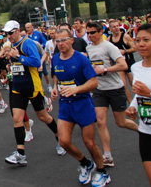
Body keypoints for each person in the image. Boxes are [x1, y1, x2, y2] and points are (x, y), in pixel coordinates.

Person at [50, 29, 110, 187]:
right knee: (63, 141)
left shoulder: (81, 59)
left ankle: (103, 172)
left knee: (89, 142)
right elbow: (56, 75)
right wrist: (55, 87)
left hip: (83, 103)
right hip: (65, 105)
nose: (60, 44)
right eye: (58, 41)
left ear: (72, 40)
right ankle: (85, 163)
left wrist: (76, 89)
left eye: (64, 40)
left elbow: (94, 82)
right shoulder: (55, 59)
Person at [2, 20, 65, 165]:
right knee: (17, 119)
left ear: (18, 30)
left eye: (10, 33)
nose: (8, 36)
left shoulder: (28, 43)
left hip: (32, 86)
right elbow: (17, 65)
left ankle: (60, 139)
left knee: (43, 116)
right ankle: (20, 153)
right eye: (6, 33)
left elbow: (37, 62)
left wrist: (19, 57)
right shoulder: (11, 45)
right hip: (18, 87)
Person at [86, 21, 138, 167]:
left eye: (92, 32)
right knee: (101, 121)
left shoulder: (109, 46)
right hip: (99, 90)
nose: (89, 35)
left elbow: (123, 65)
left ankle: (142, 130)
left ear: (100, 32)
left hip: (115, 88)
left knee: (121, 122)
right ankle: (107, 155)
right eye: (88, 33)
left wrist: (105, 70)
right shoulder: (89, 48)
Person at [125, 23, 151, 186]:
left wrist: (150, 94)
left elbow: (146, 93)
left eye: (146, 39)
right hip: (147, 132)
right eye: (138, 40)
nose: (141, 44)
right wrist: (134, 107)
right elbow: (138, 93)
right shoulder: (136, 67)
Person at [108, 19, 137, 103]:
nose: (117, 28)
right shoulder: (109, 40)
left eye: (117, 26)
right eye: (114, 27)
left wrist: (125, 51)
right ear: (110, 29)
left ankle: (138, 101)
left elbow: (135, 48)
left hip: (129, 63)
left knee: (134, 85)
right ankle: (131, 103)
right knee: (124, 86)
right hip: (120, 64)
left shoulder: (125, 36)